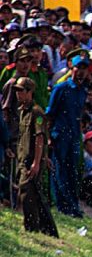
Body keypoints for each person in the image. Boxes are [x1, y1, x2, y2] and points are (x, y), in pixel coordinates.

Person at [46, 54, 92, 217]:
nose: (81, 72)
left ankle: (73, 205)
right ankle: (62, 205)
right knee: (59, 170)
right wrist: (48, 136)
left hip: (74, 135)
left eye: (84, 68)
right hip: (60, 133)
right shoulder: (61, 88)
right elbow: (49, 113)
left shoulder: (83, 91)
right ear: (71, 68)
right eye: (78, 67)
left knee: (73, 170)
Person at [13, 77, 58, 237]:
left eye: (21, 91)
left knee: (27, 193)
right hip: (22, 159)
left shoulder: (36, 112)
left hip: (31, 160)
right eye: (17, 91)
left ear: (30, 92)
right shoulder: (22, 111)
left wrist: (37, 162)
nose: (18, 94)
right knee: (36, 195)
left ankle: (32, 227)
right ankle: (48, 230)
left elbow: (40, 137)